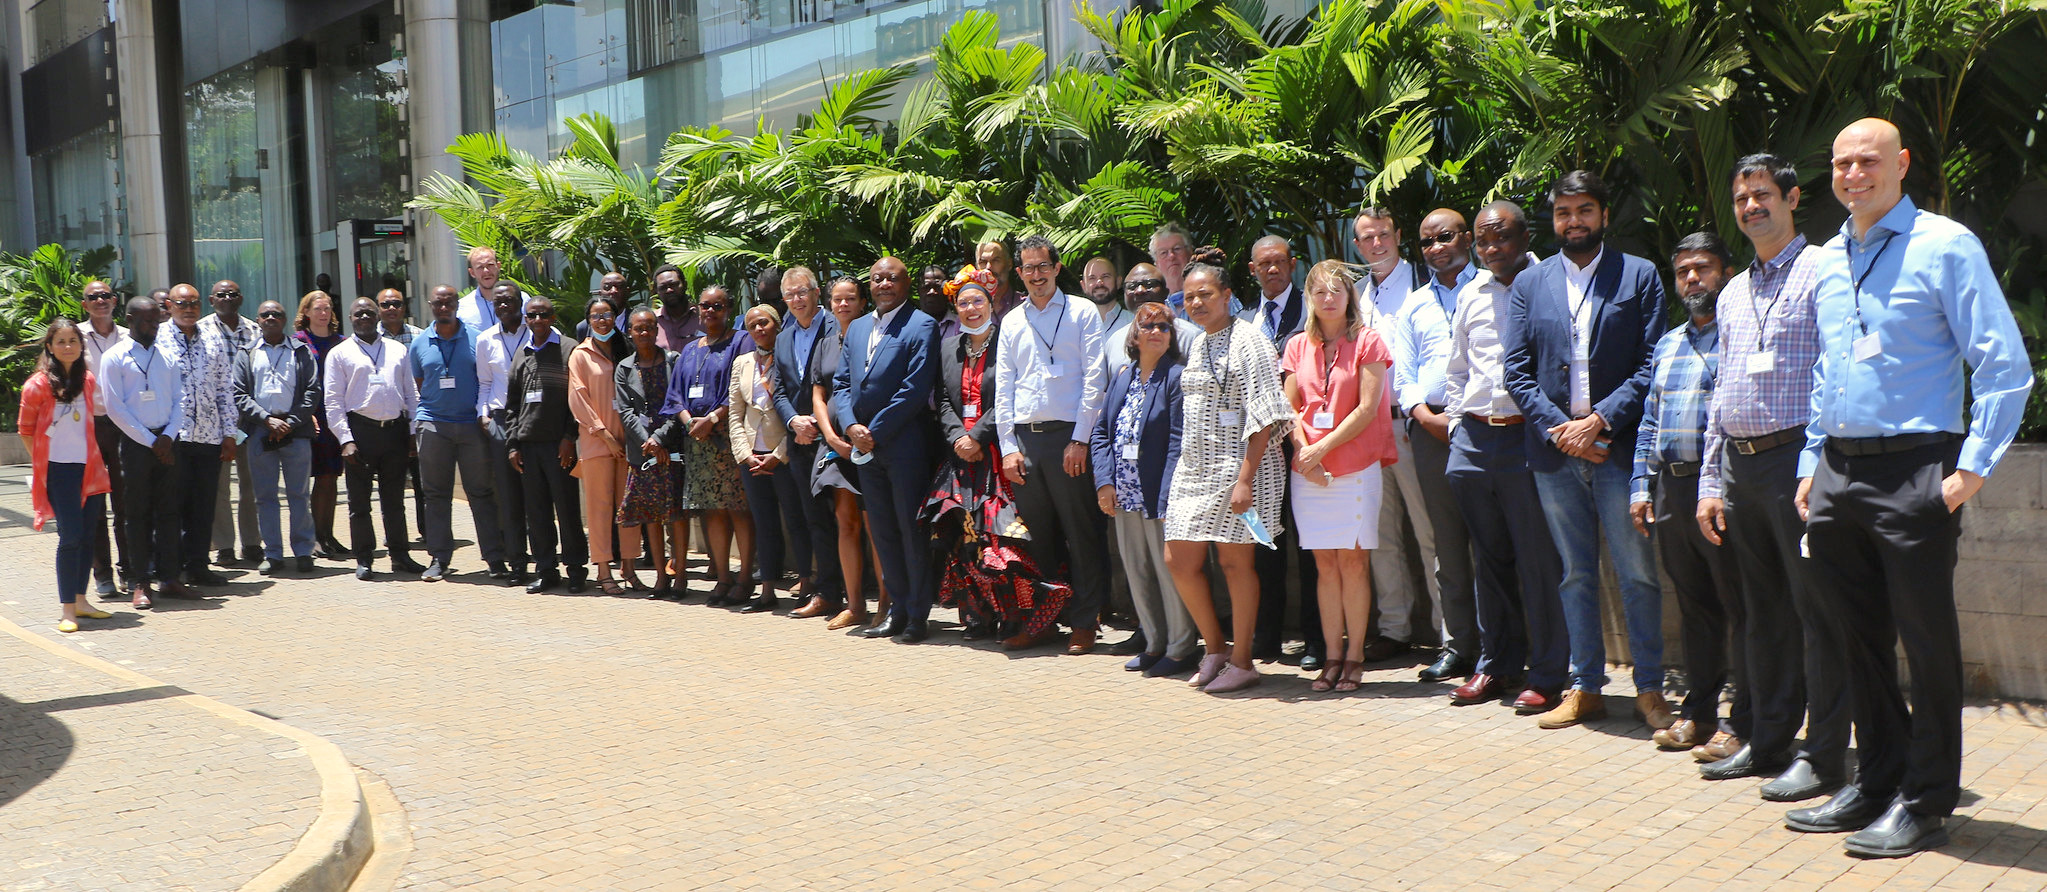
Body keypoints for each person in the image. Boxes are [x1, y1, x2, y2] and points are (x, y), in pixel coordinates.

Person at [1783, 118, 2034, 857]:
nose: (1853, 174)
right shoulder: (1828, 259)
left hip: (1916, 468)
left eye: (1868, 161)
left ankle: (1926, 799)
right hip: (1837, 469)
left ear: (1901, 165)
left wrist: (1971, 470)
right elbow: (1828, 368)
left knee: (1925, 643)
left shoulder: (1945, 245)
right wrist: (1809, 463)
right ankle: (1875, 781)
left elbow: (2001, 362)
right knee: (1854, 638)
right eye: (1840, 162)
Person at [1695, 153, 1850, 782]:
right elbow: (1721, 391)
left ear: (1791, 199)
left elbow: (1834, 375)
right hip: (1741, 466)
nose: (1751, 207)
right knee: (1761, 614)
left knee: (1816, 611)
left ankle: (1823, 754)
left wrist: (1819, 464)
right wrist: (1710, 480)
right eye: (1741, 199)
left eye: (1762, 195)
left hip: (1798, 464)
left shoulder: (1822, 272)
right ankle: (1768, 741)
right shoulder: (1733, 290)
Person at [1501, 170, 1674, 731]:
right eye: (1563, 213)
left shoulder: (1639, 276)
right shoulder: (1530, 284)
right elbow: (1517, 370)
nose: (1573, 221)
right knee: (1574, 574)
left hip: (1618, 449)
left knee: (1637, 573)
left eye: (1584, 211)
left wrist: (1599, 421)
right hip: (1555, 453)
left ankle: (1649, 688)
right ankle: (1585, 687)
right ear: (1552, 220)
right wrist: (1561, 430)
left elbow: (1653, 363)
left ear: (1603, 214)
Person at [1442, 202, 1568, 713]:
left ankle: (1546, 673)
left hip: (1527, 439)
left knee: (1539, 562)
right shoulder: (1470, 293)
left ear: (1525, 236)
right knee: (1488, 561)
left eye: (1502, 239)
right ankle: (1495, 666)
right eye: (1483, 241)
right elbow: (1456, 369)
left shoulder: (1550, 284)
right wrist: (1456, 430)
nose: (1492, 249)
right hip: (1474, 440)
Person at [1629, 233, 1746, 755]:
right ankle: (1698, 714)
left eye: (1703, 268)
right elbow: (1650, 421)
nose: (1693, 279)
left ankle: (1742, 720)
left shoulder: (1740, 337)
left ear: (1725, 272)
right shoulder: (1669, 342)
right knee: (1695, 607)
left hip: (1718, 488)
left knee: (1738, 604)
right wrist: (1640, 486)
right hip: (1672, 488)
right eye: (1683, 272)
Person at [1162, 254, 1291, 694]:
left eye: (1206, 295)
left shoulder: (1250, 338)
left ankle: (1242, 659)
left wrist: (1245, 478)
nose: (1196, 303)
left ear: (1228, 296)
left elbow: (1268, 412)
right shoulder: (1197, 342)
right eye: (1190, 296)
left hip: (1242, 468)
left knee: (1236, 563)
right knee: (1178, 559)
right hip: (1195, 468)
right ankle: (1214, 648)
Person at [1282, 259, 1399, 692]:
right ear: (1309, 298)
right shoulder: (1297, 345)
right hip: (1309, 472)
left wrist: (1320, 449)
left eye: (1337, 290)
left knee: (1353, 561)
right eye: (1319, 291)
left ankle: (1354, 657)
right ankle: (1331, 656)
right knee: (1324, 565)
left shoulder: (1367, 341)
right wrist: (1302, 451)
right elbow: (1288, 407)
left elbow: (1368, 409)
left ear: (1350, 296)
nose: (1328, 298)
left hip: (1354, 467)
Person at [994, 235, 1111, 654]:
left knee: (1081, 534)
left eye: (1043, 266)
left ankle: (1085, 620)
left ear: (1057, 268)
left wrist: (1081, 439)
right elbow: (1003, 387)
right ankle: (1044, 621)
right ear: (1019, 273)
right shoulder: (1011, 321)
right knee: (1037, 539)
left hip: (1069, 438)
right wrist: (1008, 447)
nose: (1036, 275)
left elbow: (1095, 379)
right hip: (1026, 443)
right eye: (1028, 268)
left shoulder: (1081, 311)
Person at [1388, 208, 1481, 682]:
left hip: (1486, 430)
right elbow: (1403, 377)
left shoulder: (1492, 288)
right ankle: (1459, 645)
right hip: (1429, 433)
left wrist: (1461, 418)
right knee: (1445, 544)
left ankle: (1503, 647)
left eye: (1444, 237)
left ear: (1466, 238)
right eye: (1426, 242)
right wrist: (1423, 416)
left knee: (1493, 541)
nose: (1436, 247)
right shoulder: (1414, 304)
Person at [833, 257, 940, 641]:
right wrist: (850, 426)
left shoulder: (921, 325)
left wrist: (873, 431)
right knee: (882, 531)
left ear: (905, 283)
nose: (883, 284)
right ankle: (896, 609)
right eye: (876, 278)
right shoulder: (859, 327)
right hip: (866, 450)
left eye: (891, 278)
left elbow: (914, 389)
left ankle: (917, 615)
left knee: (910, 531)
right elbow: (842, 384)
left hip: (903, 445)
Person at [1091, 301, 1197, 676]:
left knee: (1170, 571)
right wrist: (1104, 481)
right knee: (1136, 570)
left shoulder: (1176, 377)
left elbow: (1177, 441)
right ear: (1134, 335)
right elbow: (1101, 432)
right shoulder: (1122, 376)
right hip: (1124, 493)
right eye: (1148, 325)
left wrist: (1169, 495)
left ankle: (1182, 647)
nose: (1156, 332)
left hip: (1157, 493)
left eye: (1164, 327)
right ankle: (1154, 643)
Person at [1350, 208, 1436, 665]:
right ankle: (1395, 628)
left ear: (1399, 235)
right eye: (1368, 238)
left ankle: (1449, 635)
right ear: (1357, 245)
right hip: (1368, 431)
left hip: (1411, 425)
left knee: (1429, 532)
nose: (1377, 243)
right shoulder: (1356, 297)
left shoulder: (1424, 286)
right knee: (1379, 535)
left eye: (1384, 234)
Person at [1236, 236, 1324, 671]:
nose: (1272, 270)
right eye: (1263, 265)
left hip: (1304, 442)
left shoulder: (1311, 311)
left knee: (1310, 547)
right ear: (1252, 270)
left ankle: (1316, 640)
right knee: (1265, 546)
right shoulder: (1246, 320)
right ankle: (1266, 638)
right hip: (1262, 451)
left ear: (1293, 265)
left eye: (1279, 263)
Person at [658, 286, 751, 604]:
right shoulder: (689, 350)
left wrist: (711, 419)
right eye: (705, 306)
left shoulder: (740, 340)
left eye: (717, 306)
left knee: (738, 508)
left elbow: (739, 388)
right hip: (696, 441)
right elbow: (675, 395)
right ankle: (723, 579)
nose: (710, 311)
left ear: (728, 309)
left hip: (728, 438)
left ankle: (745, 579)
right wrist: (688, 422)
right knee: (712, 511)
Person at [21, 319, 114, 631]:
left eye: (73, 340)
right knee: (70, 537)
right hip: (58, 471)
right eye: (60, 341)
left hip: (89, 468)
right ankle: (67, 611)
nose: (67, 346)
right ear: (49, 346)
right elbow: (26, 431)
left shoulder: (87, 380)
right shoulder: (37, 385)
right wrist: (41, 466)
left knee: (89, 536)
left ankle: (81, 600)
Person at [410, 285, 507, 582]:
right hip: (433, 424)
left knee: (481, 492)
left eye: (448, 302)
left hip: (470, 426)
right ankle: (439, 558)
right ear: (431, 305)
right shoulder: (419, 343)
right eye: (438, 303)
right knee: (436, 494)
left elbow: (486, 378)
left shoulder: (476, 339)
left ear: (456, 304)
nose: (443, 308)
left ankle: (494, 558)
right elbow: (419, 382)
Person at [326, 296, 425, 580]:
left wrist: (411, 433)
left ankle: (400, 555)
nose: (365, 317)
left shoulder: (397, 350)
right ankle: (365, 558)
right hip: (360, 433)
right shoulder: (339, 353)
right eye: (359, 314)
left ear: (377, 316)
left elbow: (411, 394)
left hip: (394, 431)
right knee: (359, 503)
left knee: (394, 500)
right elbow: (332, 401)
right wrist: (345, 440)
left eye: (369, 312)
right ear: (350, 318)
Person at [99, 296, 189, 608]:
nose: (154, 326)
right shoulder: (114, 357)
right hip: (136, 445)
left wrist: (167, 436)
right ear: (130, 320)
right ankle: (141, 582)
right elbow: (114, 409)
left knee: (169, 512)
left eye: (156, 320)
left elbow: (180, 400)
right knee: (136, 514)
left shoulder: (168, 355)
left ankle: (170, 577)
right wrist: (151, 442)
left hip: (167, 440)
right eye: (148, 321)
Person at [933, 269, 1006, 639]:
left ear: (991, 304)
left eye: (978, 301)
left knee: (999, 537)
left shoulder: (1006, 342)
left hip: (996, 452)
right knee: (965, 536)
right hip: (959, 455)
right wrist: (959, 438)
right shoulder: (948, 347)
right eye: (963, 303)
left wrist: (977, 436)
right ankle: (976, 616)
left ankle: (1008, 614)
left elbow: (1009, 394)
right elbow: (943, 399)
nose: (971, 308)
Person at [813, 276, 886, 630]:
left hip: (869, 439)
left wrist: (855, 435)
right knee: (846, 521)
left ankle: (885, 605)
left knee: (876, 524)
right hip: (836, 444)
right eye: (837, 300)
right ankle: (855, 605)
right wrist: (831, 436)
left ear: (862, 303)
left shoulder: (871, 334)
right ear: (829, 304)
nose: (843, 305)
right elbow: (819, 394)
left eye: (850, 299)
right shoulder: (825, 343)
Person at [771, 266, 843, 618]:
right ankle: (828, 592)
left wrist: (820, 420)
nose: (797, 300)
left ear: (817, 292)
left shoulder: (837, 324)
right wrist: (793, 420)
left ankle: (859, 593)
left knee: (845, 516)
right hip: (799, 438)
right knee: (813, 516)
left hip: (833, 433)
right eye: (790, 295)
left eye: (802, 292)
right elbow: (779, 388)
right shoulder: (783, 335)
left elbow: (843, 380)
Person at [506, 296, 590, 594]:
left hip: (559, 445)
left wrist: (569, 438)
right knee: (537, 513)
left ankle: (576, 569)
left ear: (553, 317)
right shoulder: (522, 353)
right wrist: (513, 444)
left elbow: (577, 401)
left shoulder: (569, 349)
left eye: (543, 315)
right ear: (525, 319)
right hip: (529, 447)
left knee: (567, 511)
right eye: (532, 316)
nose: (537, 320)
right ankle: (546, 569)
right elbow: (513, 404)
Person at [233, 300, 320, 575]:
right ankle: (273, 553)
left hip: (296, 432)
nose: (271, 318)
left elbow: (312, 391)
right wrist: (267, 419)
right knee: (265, 496)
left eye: (277, 314)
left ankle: (304, 551)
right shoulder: (246, 352)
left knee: (299, 494)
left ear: (284, 320)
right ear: (257, 320)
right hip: (260, 431)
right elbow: (239, 394)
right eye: (265, 314)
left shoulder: (301, 351)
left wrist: (290, 422)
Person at [161, 283, 238, 588]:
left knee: (203, 504)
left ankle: (198, 565)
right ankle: (171, 566)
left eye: (193, 303)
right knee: (173, 504)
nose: (189, 308)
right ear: (170, 305)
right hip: (174, 437)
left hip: (208, 436)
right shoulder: (159, 339)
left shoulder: (213, 339)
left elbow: (224, 390)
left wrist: (229, 434)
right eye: (182, 303)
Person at [730, 305, 799, 612]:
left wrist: (779, 454)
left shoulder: (790, 358)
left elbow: (798, 408)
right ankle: (768, 589)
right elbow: (734, 412)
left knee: (796, 519)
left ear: (777, 325)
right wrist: (744, 454)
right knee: (764, 522)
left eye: (764, 323)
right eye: (752, 325)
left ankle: (809, 583)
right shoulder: (742, 363)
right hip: (751, 454)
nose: (759, 329)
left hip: (782, 453)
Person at [569, 294, 637, 595]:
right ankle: (604, 571)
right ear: (588, 320)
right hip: (598, 442)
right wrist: (605, 435)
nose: (602, 321)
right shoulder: (580, 354)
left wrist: (628, 435)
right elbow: (578, 399)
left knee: (629, 506)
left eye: (607, 315)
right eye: (596, 316)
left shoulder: (626, 349)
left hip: (628, 442)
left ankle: (630, 567)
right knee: (600, 508)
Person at [618, 308, 686, 598]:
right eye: (638, 328)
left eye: (649, 327)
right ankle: (660, 577)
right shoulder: (624, 368)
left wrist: (659, 439)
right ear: (630, 333)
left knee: (676, 515)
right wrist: (647, 442)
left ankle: (680, 576)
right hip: (642, 454)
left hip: (671, 449)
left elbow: (678, 404)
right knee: (651, 517)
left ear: (657, 329)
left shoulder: (673, 361)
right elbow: (625, 411)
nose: (644, 333)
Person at [476, 282, 536, 583]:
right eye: (498, 302)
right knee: (508, 496)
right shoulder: (485, 340)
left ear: (520, 303)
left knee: (536, 494)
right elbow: (484, 384)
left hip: (535, 419)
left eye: (509, 301)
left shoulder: (537, 334)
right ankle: (517, 563)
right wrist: (483, 415)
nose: (503, 306)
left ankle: (543, 562)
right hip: (500, 420)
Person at [201, 280, 262, 567]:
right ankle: (224, 545)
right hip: (214, 420)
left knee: (252, 485)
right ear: (211, 300)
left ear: (241, 298)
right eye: (221, 295)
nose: (227, 298)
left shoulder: (256, 330)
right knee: (218, 486)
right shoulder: (200, 331)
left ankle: (252, 543)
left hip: (250, 418)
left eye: (233, 294)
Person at [78, 280, 129, 595]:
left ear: (115, 301)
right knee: (95, 504)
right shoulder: (75, 337)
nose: (101, 301)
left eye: (106, 296)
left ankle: (130, 570)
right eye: (93, 297)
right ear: (84, 304)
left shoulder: (128, 336)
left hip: (125, 427)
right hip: (89, 426)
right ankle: (103, 575)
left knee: (127, 504)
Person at [295, 291, 351, 558]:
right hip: (311, 418)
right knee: (315, 478)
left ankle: (328, 535)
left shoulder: (342, 342)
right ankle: (313, 537)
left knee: (331, 478)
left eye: (327, 308)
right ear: (306, 312)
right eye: (317, 309)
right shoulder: (298, 342)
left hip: (336, 416)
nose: (323, 313)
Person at [1106, 263, 1201, 377]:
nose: (1139, 290)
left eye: (1149, 284)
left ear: (1166, 292)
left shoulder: (1191, 336)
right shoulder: (1114, 341)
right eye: (1132, 286)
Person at [650, 265, 705, 351]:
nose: (669, 290)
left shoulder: (704, 316)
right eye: (663, 287)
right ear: (656, 291)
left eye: (674, 285)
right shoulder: (652, 321)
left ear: (685, 284)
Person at [456, 245, 505, 333]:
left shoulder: (521, 299)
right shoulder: (462, 308)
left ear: (498, 266)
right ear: (472, 272)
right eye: (480, 267)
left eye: (490, 265)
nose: (486, 271)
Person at [1081, 256, 1131, 335]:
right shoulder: (1075, 325)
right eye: (1092, 278)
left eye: (1105, 277)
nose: (1099, 282)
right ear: (1083, 286)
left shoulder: (1133, 322)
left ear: (1118, 282)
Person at [975, 240, 1021, 317]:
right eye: (983, 262)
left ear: (1009, 264)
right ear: (976, 267)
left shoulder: (1024, 305)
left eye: (995, 261)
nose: (988, 267)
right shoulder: (969, 309)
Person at [917, 264, 961, 343]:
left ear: (947, 290)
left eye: (937, 287)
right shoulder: (908, 326)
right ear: (919, 290)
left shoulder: (961, 325)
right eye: (926, 287)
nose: (932, 292)